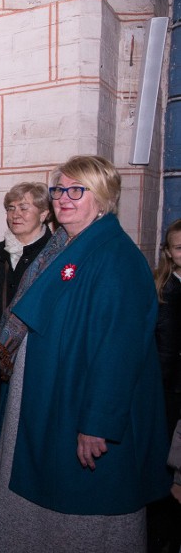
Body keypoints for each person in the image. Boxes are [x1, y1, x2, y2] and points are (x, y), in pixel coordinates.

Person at [0, 155, 170, 552]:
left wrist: (98, 422)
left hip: (78, 406)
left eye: (76, 190)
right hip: (47, 396)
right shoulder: (66, 245)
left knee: (84, 507)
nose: (62, 198)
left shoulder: (116, 257)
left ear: (102, 197)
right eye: (58, 190)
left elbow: (120, 350)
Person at [0, 181, 52, 321]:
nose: (15, 215)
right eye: (11, 208)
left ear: (43, 214)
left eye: (23, 208)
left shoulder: (54, 254)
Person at [149, 218, 181, 551]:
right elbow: (163, 349)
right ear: (169, 253)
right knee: (166, 462)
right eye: (179, 246)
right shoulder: (166, 289)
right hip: (169, 389)